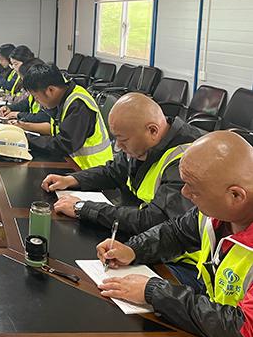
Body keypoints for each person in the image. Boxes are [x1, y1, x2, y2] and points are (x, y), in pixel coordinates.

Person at [96, 132, 253, 337]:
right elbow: (177, 232)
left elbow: (245, 332)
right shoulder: (216, 213)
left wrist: (154, 291)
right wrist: (133, 249)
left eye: (194, 189)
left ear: (236, 196)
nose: (184, 193)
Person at [43, 93, 204, 234]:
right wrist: (72, 179)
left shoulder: (186, 161)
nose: (119, 146)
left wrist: (83, 208)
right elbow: (114, 171)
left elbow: (154, 220)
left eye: (123, 140)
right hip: (141, 232)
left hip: (176, 255)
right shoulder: (142, 143)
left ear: (153, 130)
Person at [15, 63, 113, 170]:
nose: (37, 102)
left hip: (91, 169)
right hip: (73, 163)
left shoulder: (78, 104)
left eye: (36, 97)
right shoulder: (62, 99)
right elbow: (56, 131)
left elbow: (64, 144)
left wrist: (26, 139)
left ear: (50, 90)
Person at [0, 58, 51, 124]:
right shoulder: (33, 92)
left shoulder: (44, 93)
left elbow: (43, 117)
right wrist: (10, 108)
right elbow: (26, 103)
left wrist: (18, 115)